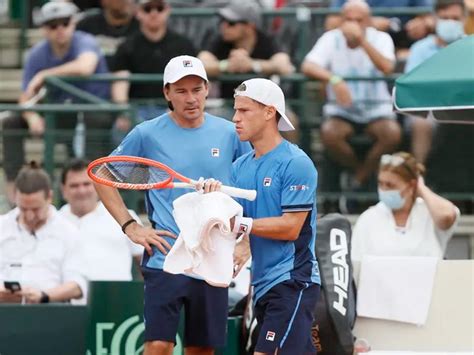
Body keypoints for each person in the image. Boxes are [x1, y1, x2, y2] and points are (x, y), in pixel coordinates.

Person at [93, 55, 251, 355]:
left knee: (201, 350)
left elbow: (248, 187)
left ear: (207, 90)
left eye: (197, 89)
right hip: (165, 255)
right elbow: (102, 177)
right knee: (158, 346)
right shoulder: (146, 133)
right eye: (181, 91)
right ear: (167, 93)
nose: (190, 98)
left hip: (214, 256)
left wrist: (246, 242)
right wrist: (131, 227)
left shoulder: (231, 133)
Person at [204, 78, 321, 354]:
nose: (235, 118)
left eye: (244, 111)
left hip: (294, 281)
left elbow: (291, 228)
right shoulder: (239, 167)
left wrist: (242, 224)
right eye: (235, 110)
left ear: (270, 112)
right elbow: (231, 224)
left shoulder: (297, 163)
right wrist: (212, 198)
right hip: (261, 285)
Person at [2, 0, 112, 205]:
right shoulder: (37, 53)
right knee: (11, 123)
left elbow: (85, 66)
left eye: (65, 22)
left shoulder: (85, 41)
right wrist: (32, 116)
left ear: (73, 23)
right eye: (53, 25)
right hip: (57, 114)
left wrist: (45, 74)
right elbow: (25, 96)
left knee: (96, 122)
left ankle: (96, 196)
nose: (60, 29)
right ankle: (15, 195)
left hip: (92, 112)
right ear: (44, 29)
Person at [301, 0, 401, 188]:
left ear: (369, 21)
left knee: (392, 134)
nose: (353, 24)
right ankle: (359, 172)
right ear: (341, 20)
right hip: (342, 111)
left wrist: (362, 41)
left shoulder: (381, 38)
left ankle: (359, 177)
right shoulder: (331, 38)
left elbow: (387, 67)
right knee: (330, 134)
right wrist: (334, 79)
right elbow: (308, 65)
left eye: (359, 20)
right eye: (348, 19)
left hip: (376, 108)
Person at [198, 0, 299, 142]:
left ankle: (288, 162)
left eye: (231, 23)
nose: (224, 26)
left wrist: (252, 64)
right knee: (211, 123)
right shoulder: (221, 41)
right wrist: (226, 65)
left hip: (264, 104)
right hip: (230, 105)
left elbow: (285, 66)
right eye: (223, 21)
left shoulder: (265, 40)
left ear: (249, 26)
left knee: (289, 120)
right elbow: (201, 63)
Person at [110, 0, 196, 143]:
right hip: (137, 109)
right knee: (120, 129)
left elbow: (192, 83)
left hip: (173, 107)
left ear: (167, 10)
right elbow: (120, 85)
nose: (154, 13)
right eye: (148, 9)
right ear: (138, 12)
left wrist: (178, 109)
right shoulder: (127, 46)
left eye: (159, 8)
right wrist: (125, 112)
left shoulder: (183, 44)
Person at [0, 163, 87, 304]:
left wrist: (44, 296)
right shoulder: (2, 226)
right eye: (23, 208)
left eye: (35, 209)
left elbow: (78, 285)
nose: (29, 216)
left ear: (49, 197)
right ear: (15, 198)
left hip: (49, 314)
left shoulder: (68, 231)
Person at [351, 152, 460, 263]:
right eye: (380, 183)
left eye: (390, 185)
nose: (383, 189)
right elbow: (356, 264)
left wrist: (421, 188)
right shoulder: (368, 218)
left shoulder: (430, 212)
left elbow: (446, 216)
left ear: (411, 185)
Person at [59, 158, 143, 281]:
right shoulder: (55, 220)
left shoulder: (126, 218)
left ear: (97, 186)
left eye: (86, 184)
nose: (81, 191)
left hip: (116, 298)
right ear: (63, 189)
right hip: (65, 299)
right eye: (74, 186)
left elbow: (146, 264)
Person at [404, 0, 466, 165]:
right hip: (428, 107)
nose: (450, 22)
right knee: (421, 123)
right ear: (435, 19)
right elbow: (411, 85)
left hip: (466, 107)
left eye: (455, 18)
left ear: (464, 20)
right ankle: (418, 180)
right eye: (445, 18)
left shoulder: (470, 46)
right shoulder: (420, 49)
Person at [325, 0, 435, 56]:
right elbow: (331, 23)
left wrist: (423, 23)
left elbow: (432, 18)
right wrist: (368, 23)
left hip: (402, 45)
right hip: (359, 49)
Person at [76, 0, 140, 69]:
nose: (127, 1)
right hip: (94, 76)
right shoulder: (86, 25)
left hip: (128, 76)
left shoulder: (142, 26)